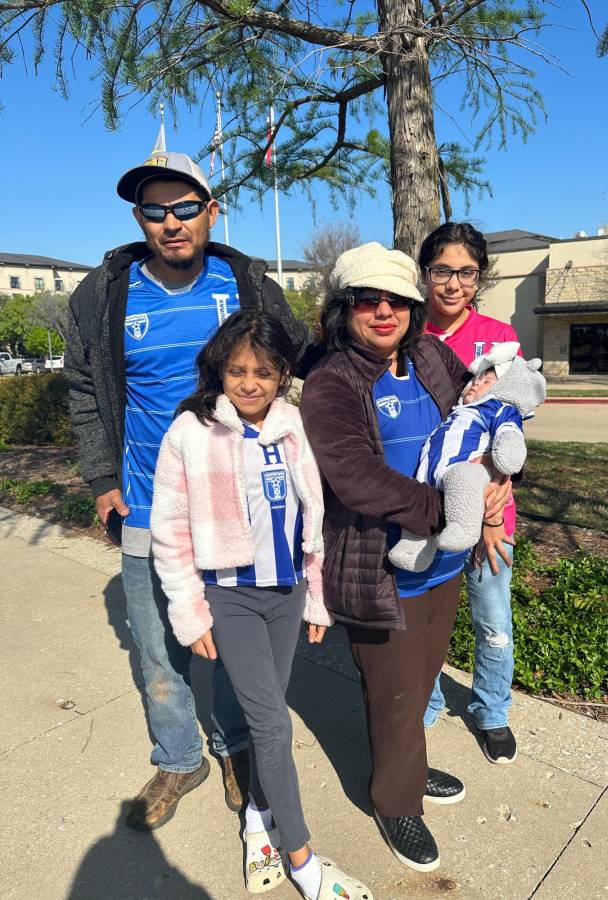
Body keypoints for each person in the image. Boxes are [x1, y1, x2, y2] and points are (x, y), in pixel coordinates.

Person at [65, 148, 309, 830]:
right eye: (153, 210)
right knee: (158, 648)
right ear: (139, 218)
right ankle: (179, 757)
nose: (169, 222)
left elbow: (305, 353)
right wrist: (103, 480)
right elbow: (84, 388)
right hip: (146, 503)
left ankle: (231, 746)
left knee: (235, 645)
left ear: (210, 210)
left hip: (237, 512)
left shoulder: (245, 281)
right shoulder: (107, 292)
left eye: (183, 207)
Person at [299, 242, 510, 872]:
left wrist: (497, 481)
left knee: (418, 683)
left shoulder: (430, 355)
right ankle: (395, 800)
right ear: (345, 308)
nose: (384, 311)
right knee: (392, 693)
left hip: (444, 561)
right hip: (379, 567)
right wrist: (451, 511)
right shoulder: (331, 381)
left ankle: (409, 767)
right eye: (368, 299)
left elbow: (478, 418)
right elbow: (355, 478)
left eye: (397, 300)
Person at [150, 311, 373, 900]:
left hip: (286, 593)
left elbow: (315, 518)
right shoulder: (191, 433)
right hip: (231, 597)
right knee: (273, 726)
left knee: (266, 714)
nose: (249, 383)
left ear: (282, 376)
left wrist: (317, 600)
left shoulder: (294, 427)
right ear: (218, 370)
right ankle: (302, 859)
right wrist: (190, 611)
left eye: (264, 373)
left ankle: (256, 816)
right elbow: (169, 531)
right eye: (237, 371)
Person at [420, 221, 524, 764]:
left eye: (465, 272)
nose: (454, 283)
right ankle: (428, 701)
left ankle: (492, 710)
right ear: (426, 273)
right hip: (425, 503)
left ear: (478, 277)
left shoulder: (500, 338)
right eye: (443, 270)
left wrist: (497, 495)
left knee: (492, 618)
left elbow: (512, 425)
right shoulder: (408, 333)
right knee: (426, 616)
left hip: (489, 507)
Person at [389, 341, 546, 566]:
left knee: (463, 479)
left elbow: (509, 432)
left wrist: (508, 456)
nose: (475, 385)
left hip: (467, 467)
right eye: (475, 380)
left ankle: (463, 527)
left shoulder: (497, 408)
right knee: (420, 495)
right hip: (431, 471)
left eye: (486, 382)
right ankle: (414, 549)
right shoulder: (458, 410)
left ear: (505, 387)